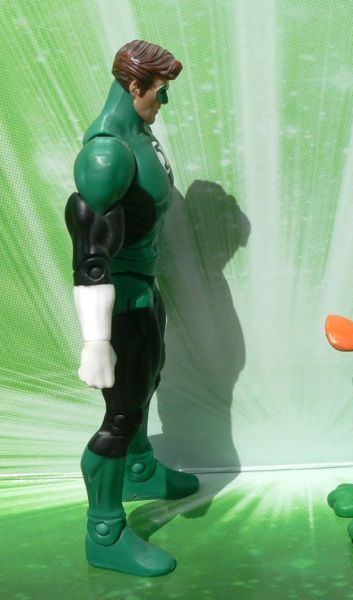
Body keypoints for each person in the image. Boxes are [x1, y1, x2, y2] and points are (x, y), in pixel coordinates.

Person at [65, 39, 199, 577]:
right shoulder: (107, 154)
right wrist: (96, 339)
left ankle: (140, 470)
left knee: (148, 382)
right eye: (159, 92)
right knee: (120, 415)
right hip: (120, 303)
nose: (163, 103)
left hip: (145, 288)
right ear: (135, 85)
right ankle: (104, 531)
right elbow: (91, 254)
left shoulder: (139, 134)